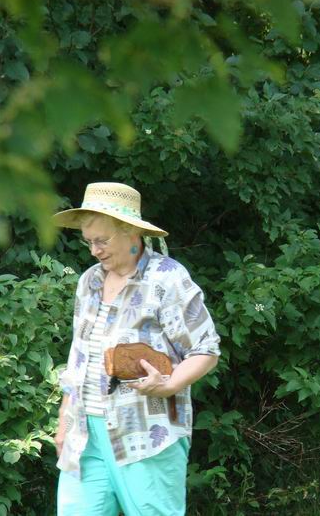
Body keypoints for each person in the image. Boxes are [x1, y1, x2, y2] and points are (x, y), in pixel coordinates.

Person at [52, 182, 220, 516]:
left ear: (130, 232)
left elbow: (206, 349)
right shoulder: (89, 282)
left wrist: (169, 384)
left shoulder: (167, 279)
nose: (95, 251)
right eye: (89, 242)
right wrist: (64, 418)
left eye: (102, 240)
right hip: (86, 437)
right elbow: (79, 355)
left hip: (146, 435)